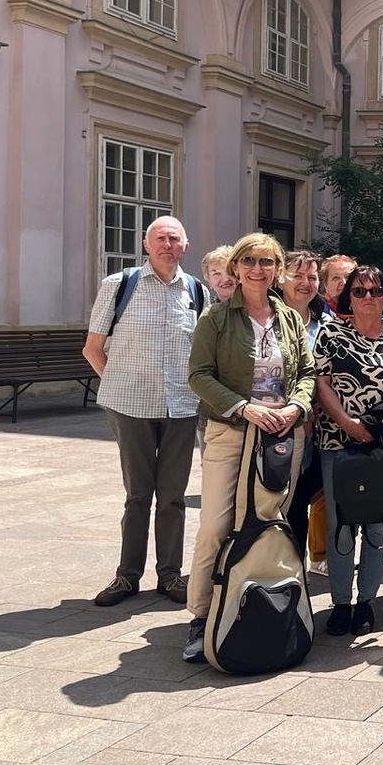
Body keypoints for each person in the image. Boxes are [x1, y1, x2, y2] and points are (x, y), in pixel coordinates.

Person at [182, 233, 316, 662]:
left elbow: (307, 372)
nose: (258, 270)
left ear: (278, 270)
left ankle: (263, 604)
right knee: (216, 526)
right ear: (236, 268)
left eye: (267, 262)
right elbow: (199, 375)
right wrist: (244, 407)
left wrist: (297, 405)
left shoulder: (289, 318)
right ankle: (202, 616)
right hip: (232, 431)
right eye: (250, 262)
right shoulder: (217, 318)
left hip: (281, 435)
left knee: (270, 522)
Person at [83, 216, 202, 608]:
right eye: (160, 238)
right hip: (130, 407)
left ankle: (170, 575)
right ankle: (127, 576)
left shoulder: (197, 292)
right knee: (137, 495)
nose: (167, 244)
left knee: (173, 496)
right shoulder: (119, 285)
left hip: (181, 406)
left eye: (174, 238)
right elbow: (93, 348)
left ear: (185, 246)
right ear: (146, 245)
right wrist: (118, 384)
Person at [314, 266, 383, 638]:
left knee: (376, 523)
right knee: (340, 525)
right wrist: (348, 423)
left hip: (381, 445)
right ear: (349, 297)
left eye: (375, 291)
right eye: (359, 291)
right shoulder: (331, 333)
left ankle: (366, 603)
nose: (368, 297)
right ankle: (341, 603)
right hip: (337, 443)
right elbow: (321, 383)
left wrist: (376, 422)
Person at [279, 249, 327, 571]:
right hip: (282, 425)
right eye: (297, 275)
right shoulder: (268, 318)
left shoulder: (326, 323)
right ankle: (285, 567)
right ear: (281, 279)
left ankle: (307, 563)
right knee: (286, 500)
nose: (305, 283)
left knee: (311, 494)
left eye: (312, 277)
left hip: (322, 429)